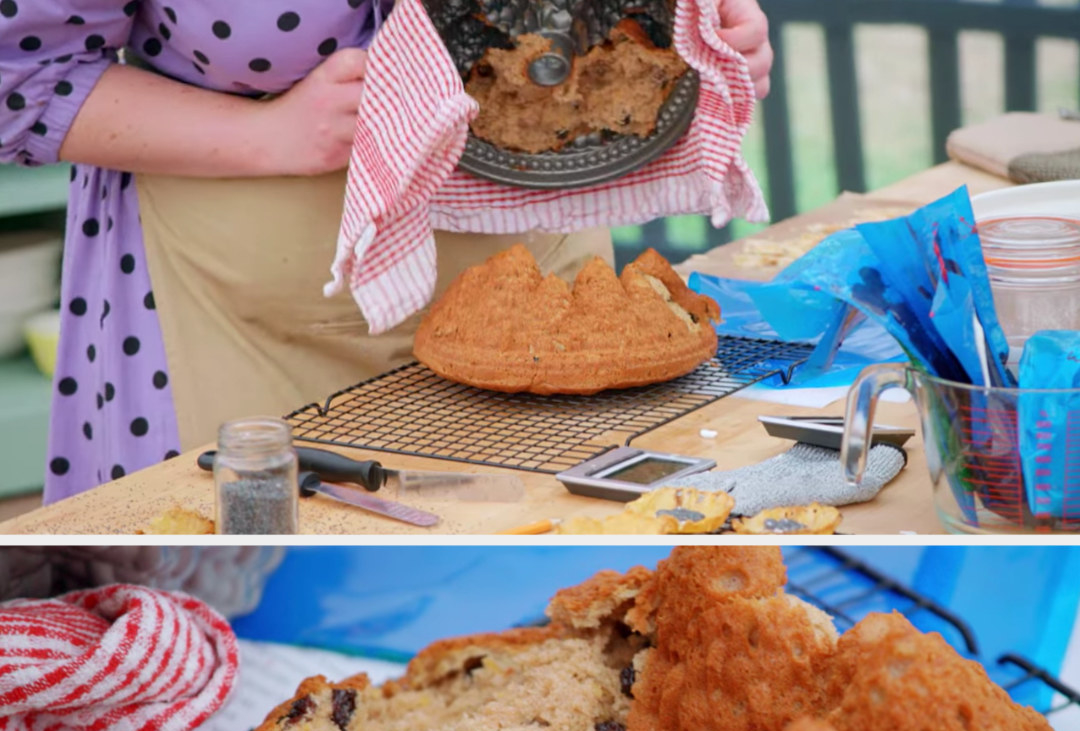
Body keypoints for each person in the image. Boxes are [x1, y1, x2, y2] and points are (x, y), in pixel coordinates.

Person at [0, 1, 773, 504]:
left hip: (553, 291)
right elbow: (20, 79)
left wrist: (705, 37)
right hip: (248, 321)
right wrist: (264, 136)